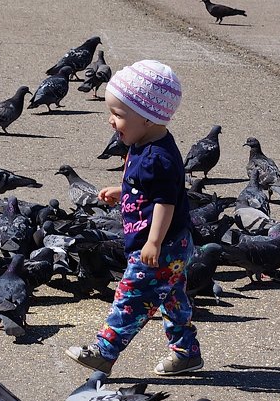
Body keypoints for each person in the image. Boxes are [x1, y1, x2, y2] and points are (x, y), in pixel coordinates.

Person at [65, 60, 202, 376]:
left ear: (148, 117)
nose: (111, 122)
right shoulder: (144, 142)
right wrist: (124, 189)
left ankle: (104, 351)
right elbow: (148, 188)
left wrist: (153, 242)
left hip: (160, 247)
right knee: (173, 301)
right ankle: (186, 353)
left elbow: (165, 202)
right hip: (174, 246)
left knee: (130, 297)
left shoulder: (159, 158)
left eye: (118, 115)